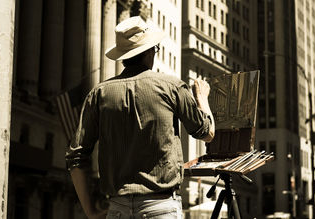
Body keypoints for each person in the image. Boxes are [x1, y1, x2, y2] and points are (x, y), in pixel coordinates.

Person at [66, 16, 215, 219]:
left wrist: (91, 212)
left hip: (117, 208)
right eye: (155, 49)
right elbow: (207, 133)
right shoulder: (172, 87)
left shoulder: (99, 94)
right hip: (161, 208)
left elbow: (76, 157)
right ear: (148, 53)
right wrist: (203, 99)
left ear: (124, 56)